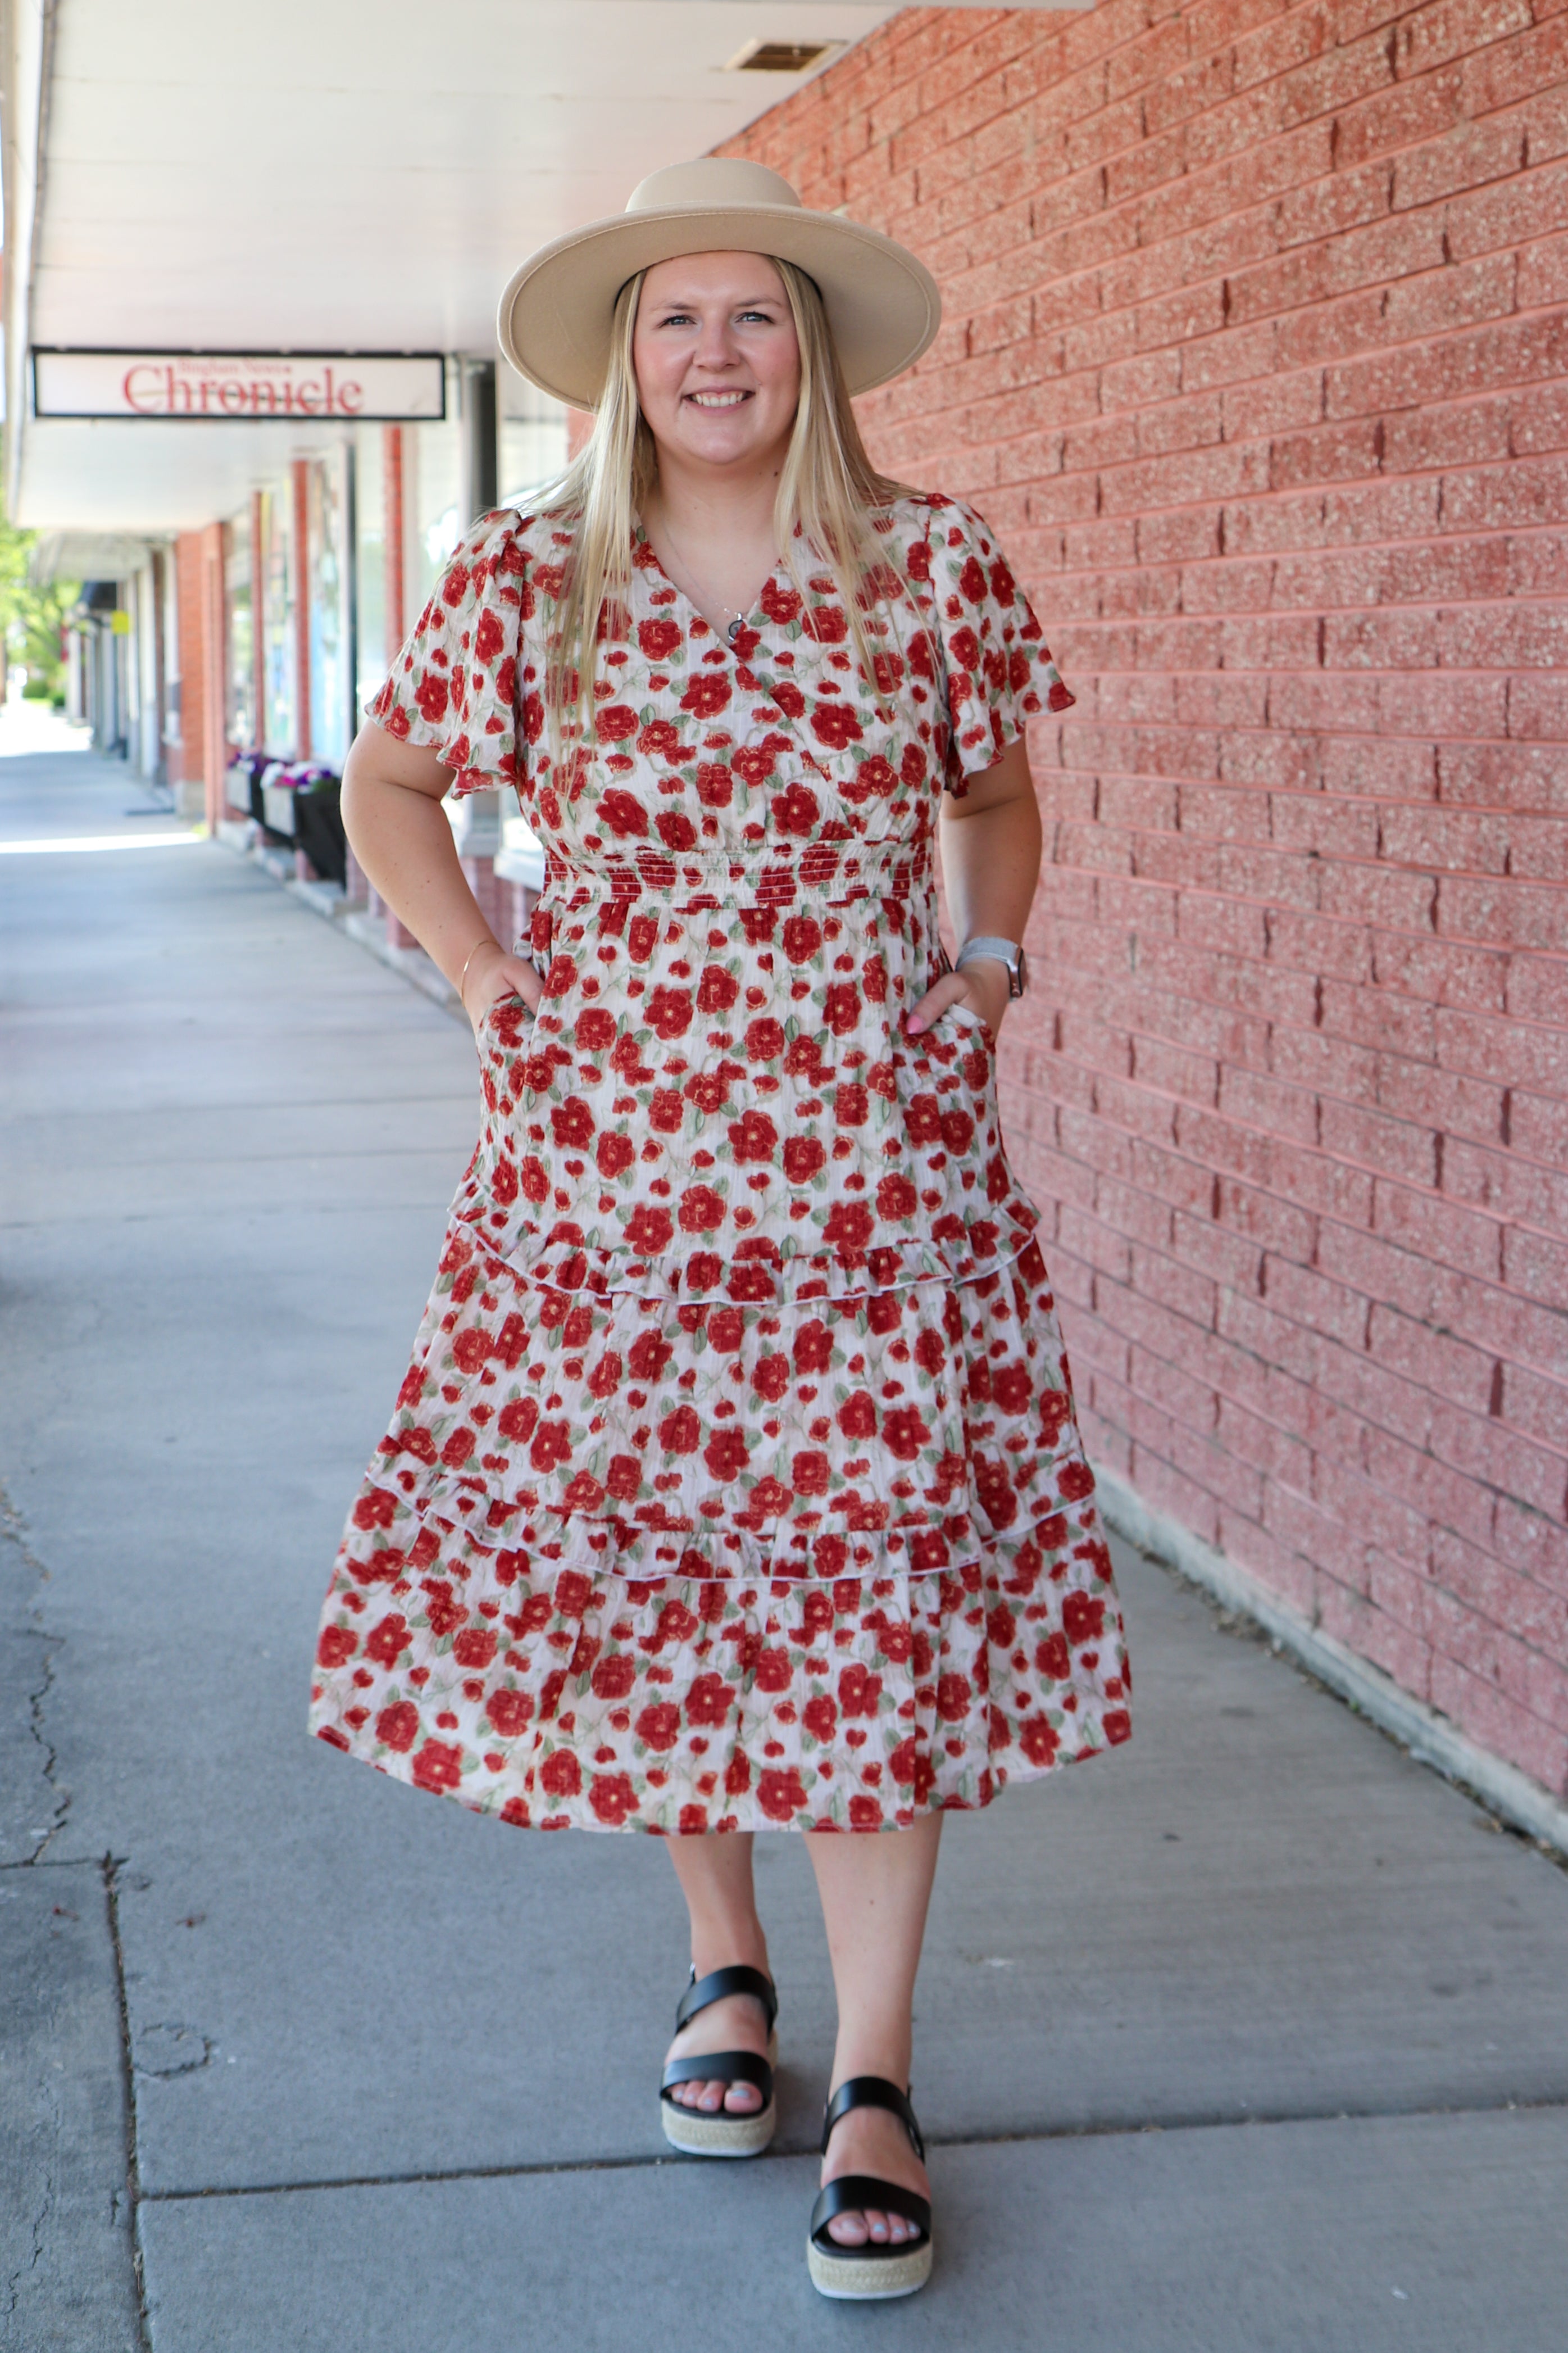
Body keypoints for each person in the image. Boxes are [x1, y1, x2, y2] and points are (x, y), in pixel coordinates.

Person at [310, 157, 1130, 2301]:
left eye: (752, 314)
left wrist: (985, 973)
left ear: (815, 347)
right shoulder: (529, 577)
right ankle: (722, 1971)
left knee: (860, 1574)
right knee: (674, 1560)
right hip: (615, 1178)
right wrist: (492, 984)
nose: (713, 353)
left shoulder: (932, 565)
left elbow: (999, 792)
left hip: (871, 1171)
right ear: (623, 360)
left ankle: (876, 2069)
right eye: (674, 319)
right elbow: (388, 788)